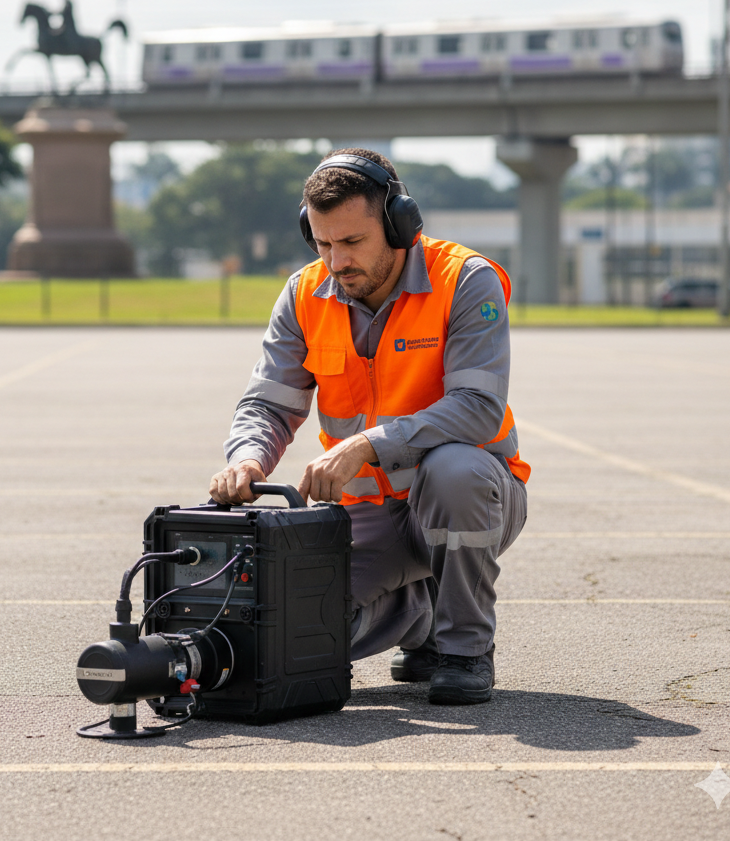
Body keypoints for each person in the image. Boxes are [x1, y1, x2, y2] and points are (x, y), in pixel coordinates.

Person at [209, 149, 530, 705]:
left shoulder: (466, 280)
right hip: (365, 516)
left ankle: (464, 649)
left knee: (454, 470)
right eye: (323, 243)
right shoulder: (304, 294)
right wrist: (247, 459)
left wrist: (368, 445)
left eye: (352, 243)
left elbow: (478, 405)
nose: (336, 261)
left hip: (470, 496)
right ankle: (420, 615)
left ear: (398, 225)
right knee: (290, 629)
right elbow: (268, 404)